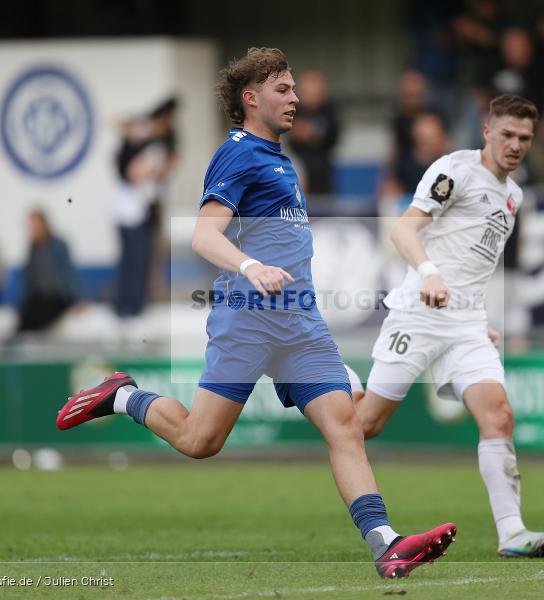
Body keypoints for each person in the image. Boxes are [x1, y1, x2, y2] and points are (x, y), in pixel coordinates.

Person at [55, 47, 456, 579]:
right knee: (201, 441)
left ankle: (387, 544)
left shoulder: (280, 159)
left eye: (294, 89)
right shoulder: (239, 152)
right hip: (247, 318)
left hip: (300, 322)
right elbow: (202, 234)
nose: (296, 98)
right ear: (251, 98)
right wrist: (249, 266)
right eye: (283, 90)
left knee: (347, 429)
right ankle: (121, 395)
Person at [354, 94, 544, 559]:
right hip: (419, 310)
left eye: (525, 138)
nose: (515, 145)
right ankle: (332, 384)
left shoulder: (514, 196)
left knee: (499, 416)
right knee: (365, 424)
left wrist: (480, 318)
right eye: (507, 134)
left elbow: (472, 262)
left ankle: (512, 533)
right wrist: (429, 274)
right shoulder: (454, 171)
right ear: (487, 131)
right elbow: (403, 230)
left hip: (466, 322)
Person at [111, 98, 177, 317]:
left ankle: (136, 307)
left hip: (143, 210)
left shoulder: (157, 147)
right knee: (132, 261)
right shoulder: (136, 149)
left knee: (142, 261)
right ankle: (127, 308)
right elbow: (133, 174)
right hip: (130, 213)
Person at [13, 210, 83, 335]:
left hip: (58, 296)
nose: (32, 229)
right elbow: (29, 279)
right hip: (38, 297)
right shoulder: (32, 248)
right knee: (26, 314)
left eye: (35, 225)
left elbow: (68, 272)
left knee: (41, 312)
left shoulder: (59, 245)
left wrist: (79, 298)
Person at [286, 68, 340, 196]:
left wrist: (311, 132)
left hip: (322, 177)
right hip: (294, 172)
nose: (313, 91)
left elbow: (332, 137)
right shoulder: (292, 110)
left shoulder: (329, 112)